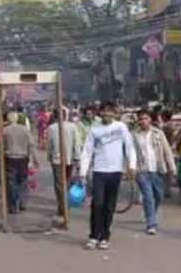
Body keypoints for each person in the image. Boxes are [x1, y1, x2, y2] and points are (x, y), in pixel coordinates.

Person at [79, 102, 136, 251]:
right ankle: (93, 236)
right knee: (97, 204)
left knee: (109, 206)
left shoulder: (121, 127)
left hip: (116, 171)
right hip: (99, 171)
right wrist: (83, 173)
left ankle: (105, 236)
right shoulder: (95, 130)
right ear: (100, 113)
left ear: (114, 113)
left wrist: (132, 165)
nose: (106, 114)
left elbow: (129, 146)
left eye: (109, 111)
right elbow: (87, 151)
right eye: (104, 112)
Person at [132, 110, 177, 235]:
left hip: (158, 169)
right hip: (142, 170)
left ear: (150, 119)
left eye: (145, 118)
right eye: (140, 119)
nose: (143, 121)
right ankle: (151, 224)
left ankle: (150, 212)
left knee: (158, 196)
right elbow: (130, 153)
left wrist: (172, 168)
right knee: (148, 196)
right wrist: (130, 168)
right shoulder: (135, 135)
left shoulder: (158, 133)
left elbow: (167, 151)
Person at [46, 109, 80, 223]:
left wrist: (49, 156)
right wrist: (77, 156)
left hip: (57, 160)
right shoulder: (73, 126)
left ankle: (63, 208)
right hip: (69, 159)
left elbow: (49, 144)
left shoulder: (51, 128)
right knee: (67, 183)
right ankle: (65, 206)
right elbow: (77, 142)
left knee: (59, 185)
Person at [2, 112, 39, 213]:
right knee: (23, 180)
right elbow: (31, 145)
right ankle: (23, 202)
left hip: (10, 158)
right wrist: (35, 159)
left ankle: (14, 206)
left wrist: (0, 159)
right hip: (23, 158)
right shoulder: (25, 130)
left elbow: (0, 147)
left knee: (11, 182)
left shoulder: (5, 131)